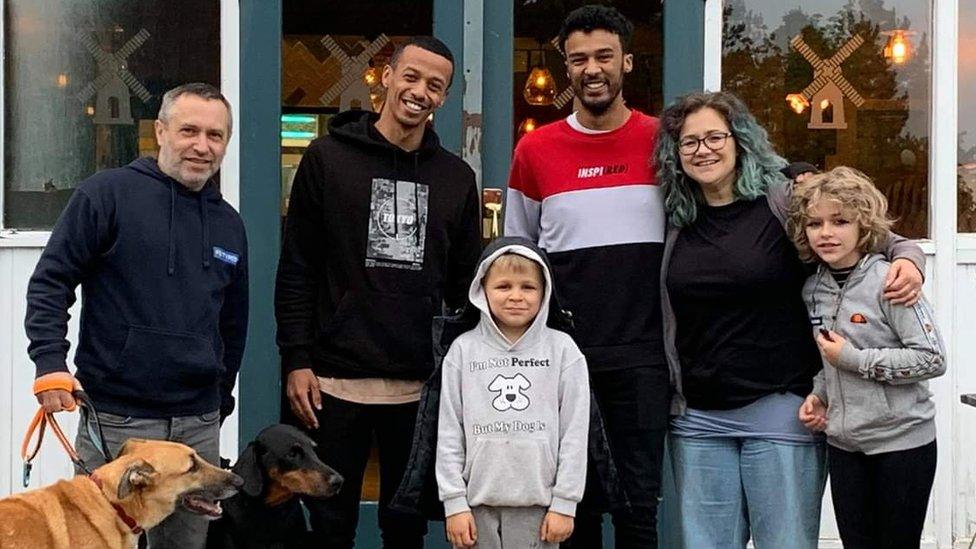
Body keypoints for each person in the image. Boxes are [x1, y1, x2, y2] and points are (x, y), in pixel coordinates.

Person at [655, 90, 926, 548]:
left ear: (739, 141)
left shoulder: (783, 200)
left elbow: (877, 237)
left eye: (714, 137)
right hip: (698, 418)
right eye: (689, 142)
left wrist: (911, 260)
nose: (703, 149)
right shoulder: (675, 217)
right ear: (676, 154)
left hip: (781, 410)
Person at [274, 36, 481, 548]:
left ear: (444, 98)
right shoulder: (327, 159)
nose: (419, 91)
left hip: (417, 388)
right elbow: (297, 266)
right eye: (410, 76)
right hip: (330, 383)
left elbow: (465, 287)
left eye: (435, 85)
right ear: (385, 77)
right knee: (329, 526)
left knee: (406, 529)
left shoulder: (455, 178)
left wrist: (460, 376)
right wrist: (296, 358)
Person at [25, 82, 248, 549]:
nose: (202, 146)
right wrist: (50, 365)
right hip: (118, 422)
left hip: (196, 427)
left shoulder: (229, 222)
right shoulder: (106, 195)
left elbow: (232, 322)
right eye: (189, 130)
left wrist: (219, 399)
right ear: (161, 132)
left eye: (215, 135)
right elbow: (52, 282)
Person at [504, 5, 668, 546]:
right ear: (567, 68)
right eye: (578, 59)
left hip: (644, 358)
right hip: (564, 359)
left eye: (603, 56)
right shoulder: (534, 149)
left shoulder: (664, 143)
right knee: (572, 512)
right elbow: (519, 257)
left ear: (626, 61)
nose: (591, 69)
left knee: (638, 509)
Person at [788, 167, 945, 548]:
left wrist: (854, 359)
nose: (826, 233)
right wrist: (819, 395)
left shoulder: (890, 281)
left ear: (864, 227)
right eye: (815, 223)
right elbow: (829, 357)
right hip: (844, 446)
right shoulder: (814, 288)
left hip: (902, 444)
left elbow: (932, 358)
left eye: (840, 221)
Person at [436, 238, 590, 549]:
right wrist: (454, 502)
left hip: (541, 509)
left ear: (545, 292)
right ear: (482, 291)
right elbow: (449, 431)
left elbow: (575, 433)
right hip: (475, 510)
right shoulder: (462, 350)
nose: (516, 297)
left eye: (528, 287)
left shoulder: (563, 351)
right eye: (503, 286)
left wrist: (565, 503)